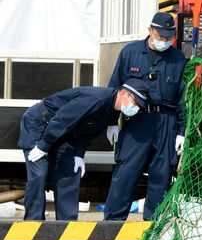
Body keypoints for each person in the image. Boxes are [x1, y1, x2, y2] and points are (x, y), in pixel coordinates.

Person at [18, 79, 147, 220]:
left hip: (63, 131)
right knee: (39, 174)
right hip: (40, 122)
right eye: (135, 103)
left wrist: (78, 154)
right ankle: (33, 222)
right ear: (123, 93)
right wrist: (43, 146)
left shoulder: (111, 110)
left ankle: (67, 224)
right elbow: (62, 119)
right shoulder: (96, 99)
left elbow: (86, 132)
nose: (136, 108)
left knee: (69, 173)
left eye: (139, 106)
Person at [104, 11, 187, 221]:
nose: (165, 41)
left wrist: (182, 132)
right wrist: (112, 121)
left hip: (166, 123)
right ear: (150, 31)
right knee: (126, 172)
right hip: (137, 121)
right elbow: (114, 89)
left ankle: (154, 225)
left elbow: (183, 99)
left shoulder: (178, 59)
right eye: (161, 36)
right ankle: (112, 223)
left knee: (161, 175)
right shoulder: (130, 53)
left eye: (169, 37)